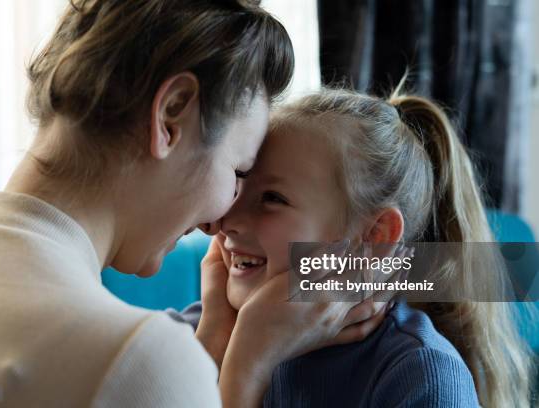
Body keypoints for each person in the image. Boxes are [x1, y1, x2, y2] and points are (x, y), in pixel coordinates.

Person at [0, 1, 390, 407]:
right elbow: (450, 268)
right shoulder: (139, 360)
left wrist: (210, 339)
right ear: (171, 116)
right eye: (237, 171)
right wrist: (250, 364)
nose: (218, 224)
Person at [171, 86, 534, 407]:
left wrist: (248, 368)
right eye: (237, 187)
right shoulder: (191, 334)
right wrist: (214, 346)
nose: (226, 220)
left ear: (374, 238)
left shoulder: (422, 377)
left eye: (271, 198)